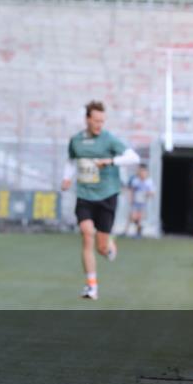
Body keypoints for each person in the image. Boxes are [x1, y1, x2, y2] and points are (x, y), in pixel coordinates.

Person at [61, 101, 140, 300]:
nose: (99, 125)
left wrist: (111, 161)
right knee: (87, 234)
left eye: (102, 121)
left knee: (101, 247)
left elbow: (134, 158)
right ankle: (91, 286)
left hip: (107, 195)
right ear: (87, 119)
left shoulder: (109, 140)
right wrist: (67, 177)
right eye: (96, 120)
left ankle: (108, 246)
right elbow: (71, 160)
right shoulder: (76, 141)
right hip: (85, 195)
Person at [125, 164, 155, 238]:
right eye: (140, 171)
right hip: (135, 202)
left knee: (139, 218)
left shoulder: (149, 182)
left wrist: (146, 194)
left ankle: (138, 232)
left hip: (143, 203)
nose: (142, 173)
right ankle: (128, 231)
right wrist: (131, 198)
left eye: (143, 172)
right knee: (132, 217)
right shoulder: (136, 180)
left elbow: (152, 193)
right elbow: (131, 190)